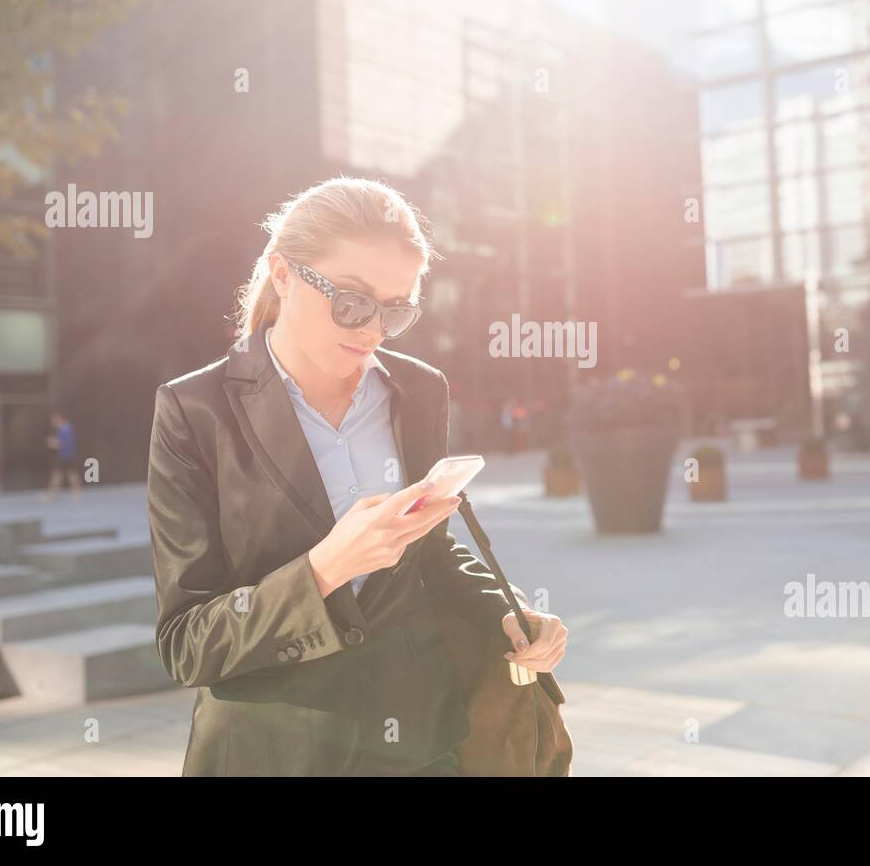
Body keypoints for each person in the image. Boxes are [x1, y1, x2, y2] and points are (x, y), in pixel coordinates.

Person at [146, 177, 568, 776]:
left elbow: (430, 553)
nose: (372, 329)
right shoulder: (194, 409)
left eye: (397, 310)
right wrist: (323, 570)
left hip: (421, 743)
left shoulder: (420, 390)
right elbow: (187, 644)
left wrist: (507, 611)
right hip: (272, 753)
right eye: (351, 300)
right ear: (284, 273)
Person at [44, 411, 81, 497]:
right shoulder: (64, 428)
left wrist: (53, 443)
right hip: (65, 455)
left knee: (61, 475)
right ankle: (76, 493)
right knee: (67, 474)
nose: (52, 422)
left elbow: (65, 443)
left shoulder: (65, 429)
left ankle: (51, 495)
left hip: (66, 455)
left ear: (58, 418)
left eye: (53, 420)